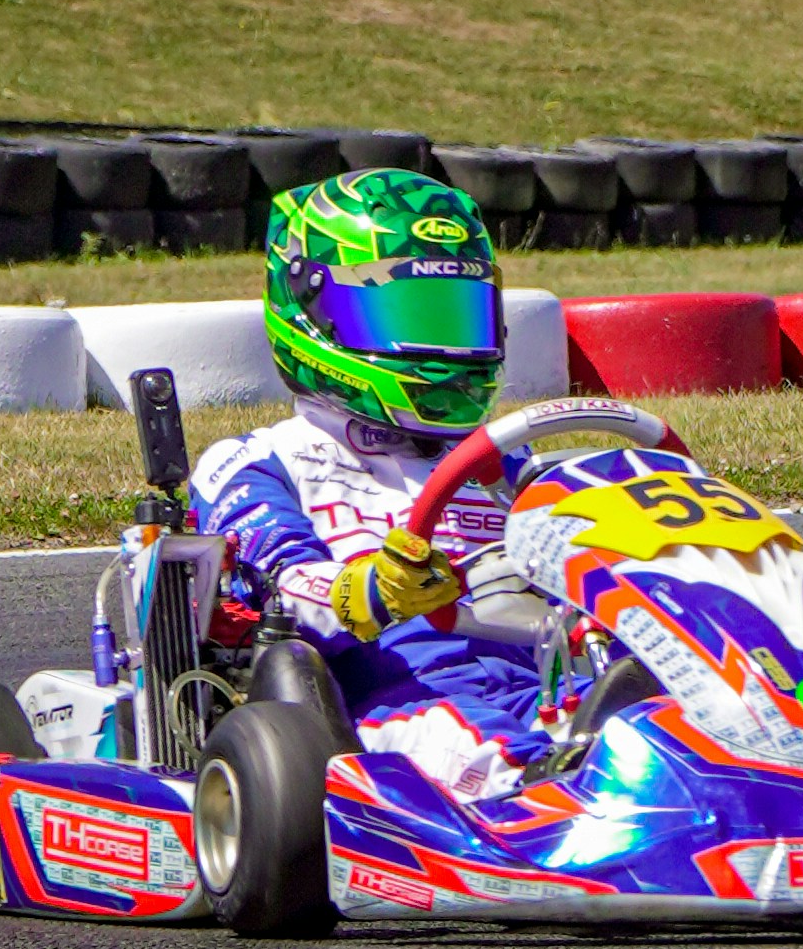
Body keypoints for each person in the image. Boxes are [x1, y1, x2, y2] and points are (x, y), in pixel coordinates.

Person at [188, 166, 558, 801]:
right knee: (493, 752)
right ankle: (548, 799)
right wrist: (367, 589)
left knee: (653, 716)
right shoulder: (259, 462)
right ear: (315, 315)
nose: (442, 349)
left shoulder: (505, 464)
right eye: (411, 315)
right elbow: (277, 585)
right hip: (393, 699)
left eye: (457, 319)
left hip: (540, 682)